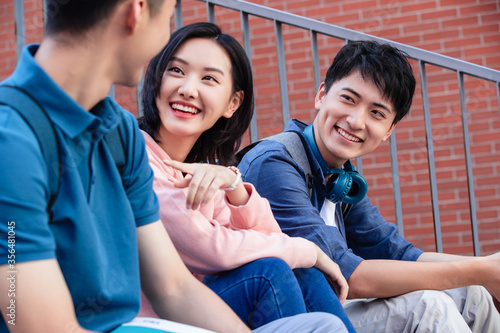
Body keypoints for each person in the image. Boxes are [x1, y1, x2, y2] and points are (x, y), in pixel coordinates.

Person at [0, 1, 348, 333]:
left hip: (147, 322)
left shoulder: (120, 132)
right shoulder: (10, 140)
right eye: (168, 13)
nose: (164, 39)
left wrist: (233, 184)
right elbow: (33, 320)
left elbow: (173, 288)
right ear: (136, 11)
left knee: (323, 325)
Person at [237, 40, 500, 333]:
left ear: (388, 131)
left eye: (376, 113)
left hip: (327, 308)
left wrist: (487, 267)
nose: (356, 121)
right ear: (321, 95)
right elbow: (348, 276)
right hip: (283, 319)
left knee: (472, 293)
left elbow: (400, 254)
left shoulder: (341, 178)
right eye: (348, 99)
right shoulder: (274, 162)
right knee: (428, 308)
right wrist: (480, 270)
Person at [138, 22, 354, 332]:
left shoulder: (204, 172)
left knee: (298, 270)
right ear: (156, 78)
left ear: (232, 103)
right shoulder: (135, 155)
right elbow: (210, 247)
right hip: (150, 321)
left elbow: (271, 237)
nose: (188, 88)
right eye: (176, 71)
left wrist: (236, 187)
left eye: (208, 78)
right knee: (271, 271)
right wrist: (309, 251)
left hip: (200, 313)